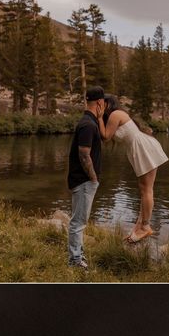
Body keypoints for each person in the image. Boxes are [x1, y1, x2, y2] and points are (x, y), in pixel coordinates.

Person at [97, 94, 168, 243]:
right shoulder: (114, 117)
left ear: (108, 104)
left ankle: (146, 226)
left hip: (142, 147)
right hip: (139, 148)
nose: (100, 107)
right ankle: (138, 228)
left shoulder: (116, 114)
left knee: (146, 189)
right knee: (145, 189)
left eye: (102, 104)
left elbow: (105, 136)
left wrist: (98, 117)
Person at [67, 86, 105, 269]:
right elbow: (84, 154)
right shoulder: (88, 125)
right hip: (84, 181)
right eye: (103, 103)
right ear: (100, 102)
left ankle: (78, 256)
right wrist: (93, 178)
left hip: (83, 181)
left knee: (80, 220)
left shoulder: (88, 121)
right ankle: (75, 261)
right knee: (78, 222)